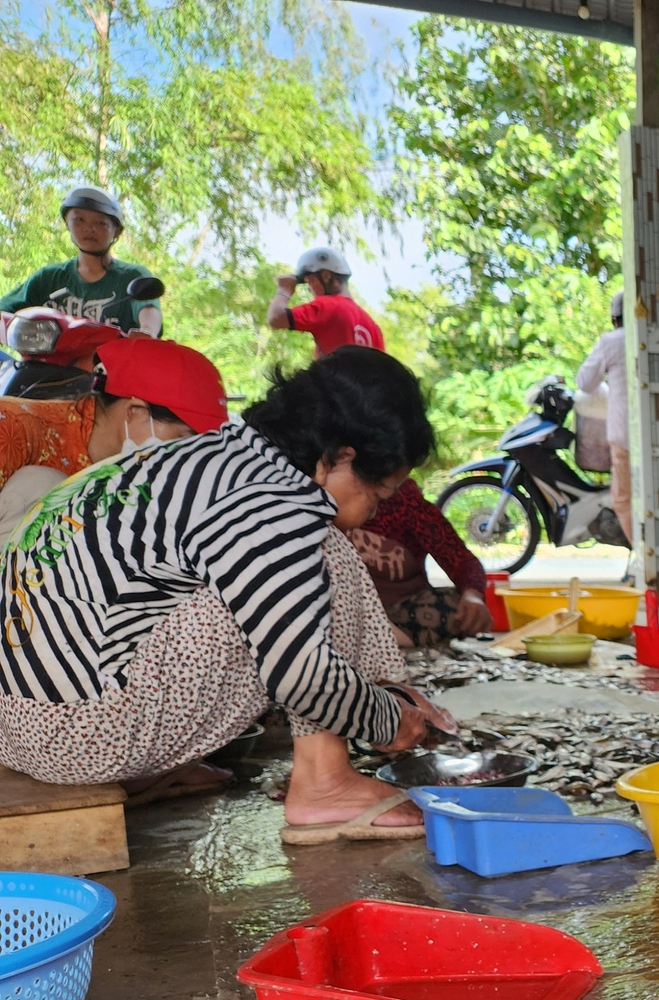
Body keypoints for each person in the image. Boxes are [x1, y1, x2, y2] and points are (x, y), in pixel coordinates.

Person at [0, 345, 455, 842]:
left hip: (18, 728)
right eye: (379, 493)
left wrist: (376, 694)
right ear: (341, 457)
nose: (374, 512)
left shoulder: (204, 457)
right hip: (76, 740)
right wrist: (388, 720)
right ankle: (325, 781)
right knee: (324, 553)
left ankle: (170, 762)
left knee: (290, 570)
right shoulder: (273, 503)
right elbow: (300, 677)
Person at [0, 339, 228, 527]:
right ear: (135, 411)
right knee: (42, 485)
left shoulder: (135, 480)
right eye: (182, 440)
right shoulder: (11, 427)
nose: (187, 457)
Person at [348, 480, 494, 647]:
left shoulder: (406, 501)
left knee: (450, 606)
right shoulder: (321, 507)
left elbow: (461, 560)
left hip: (402, 613)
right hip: (346, 614)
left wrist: (472, 595)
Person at [0, 187, 161, 335]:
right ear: (67, 224)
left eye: (101, 223)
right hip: (46, 364)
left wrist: (147, 331)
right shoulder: (48, 278)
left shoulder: (132, 277)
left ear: (116, 231)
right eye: (79, 220)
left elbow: (148, 309)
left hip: (108, 365)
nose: (90, 228)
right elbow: (5, 309)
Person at [574, 291, 631, 546]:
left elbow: (585, 383)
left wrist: (607, 387)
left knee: (623, 499)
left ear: (615, 318)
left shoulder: (612, 342)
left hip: (625, 435)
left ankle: (643, 558)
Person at [267, 247, 383, 358]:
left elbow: (276, 318)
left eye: (310, 281)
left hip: (333, 378)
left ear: (326, 276)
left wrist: (284, 290)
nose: (309, 288)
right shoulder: (373, 327)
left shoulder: (328, 305)